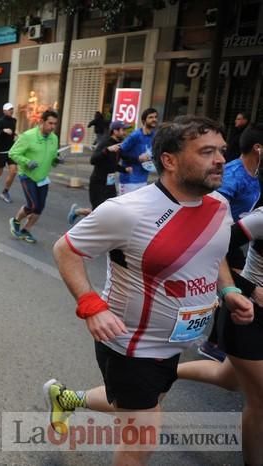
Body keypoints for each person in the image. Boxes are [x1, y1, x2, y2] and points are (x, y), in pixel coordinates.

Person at [46, 115, 253, 466]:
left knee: (132, 404)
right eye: (206, 152)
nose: (220, 159)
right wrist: (91, 305)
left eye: (221, 150)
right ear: (169, 160)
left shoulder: (218, 206)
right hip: (132, 346)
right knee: (141, 437)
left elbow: (214, 254)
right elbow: (66, 250)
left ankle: (65, 399)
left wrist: (228, 289)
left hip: (175, 343)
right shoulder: (127, 211)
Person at [177, 207, 263, 466]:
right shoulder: (260, 219)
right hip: (247, 314)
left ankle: (165, 372)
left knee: (226, 378)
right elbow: (212, 248)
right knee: (260, 403)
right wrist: (249, 289)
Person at [197, 123, 263, 362]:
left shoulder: (255, 174)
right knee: (237, 287)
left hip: (238, 238)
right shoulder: (231, 177)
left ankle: (216, 341)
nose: (220, 159)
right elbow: (210, 212)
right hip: (220, 238)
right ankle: (214, 341)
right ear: (258, 148)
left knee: (236, 288)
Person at [8, 109, 60, 244]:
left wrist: (56, 160)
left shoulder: (54, 138)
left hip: (43, 178)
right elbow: (13, 153)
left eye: (55, 124)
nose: (53, 127)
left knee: (39, 208)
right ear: (42, 121)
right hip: (27, 175)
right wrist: (27, 161)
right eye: (50, 123)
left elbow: (53, 157)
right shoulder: (28, 136)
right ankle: (16, 221)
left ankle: (26, 230)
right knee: (32, 205)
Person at [67, 120, 130, 225]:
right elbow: (93, 160)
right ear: (115, 131)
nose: (125, 133)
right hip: (98, 183)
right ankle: (79, 215)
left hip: (110, 183)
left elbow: (112, 164)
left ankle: (79, 212)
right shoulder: (105, 143)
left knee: (109, 210)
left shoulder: (118, 145)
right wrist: (107, 150)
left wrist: (124, 169)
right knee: (99, 212)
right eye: (123, 130)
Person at [108, 108, 159, 194]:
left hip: (143, 179)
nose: (154, 119)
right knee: (125, 207)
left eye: (155, 117)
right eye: (150, 117)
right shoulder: (135, 136)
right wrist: (137, 159)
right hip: (129, 180)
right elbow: (120, 152)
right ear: (144, 120)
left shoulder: (154, 136)